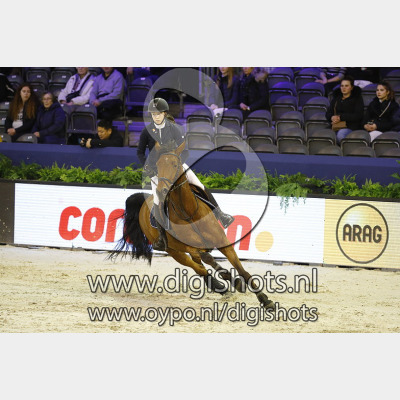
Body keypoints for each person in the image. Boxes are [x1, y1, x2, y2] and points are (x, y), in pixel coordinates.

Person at [141, 98, 235, 251]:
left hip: (177, 167)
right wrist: (149, 168)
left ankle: (221, 215)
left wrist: (178, 164)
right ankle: (162, 237)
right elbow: (146, 154)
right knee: (158, 199)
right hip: (159, 172)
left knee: (199, 185)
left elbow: (184, 152)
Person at [326, 76, 364, 143]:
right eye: (342, 86)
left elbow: (358, 115)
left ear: (351, 87)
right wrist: (332, 117)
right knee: (325, 135)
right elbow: (328, 113)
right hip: (335, 126)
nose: (343, 88)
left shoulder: (357, 99)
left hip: (350, 127)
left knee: (340, 135)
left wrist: (340, 117)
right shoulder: (336, 99)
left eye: (346, 86)